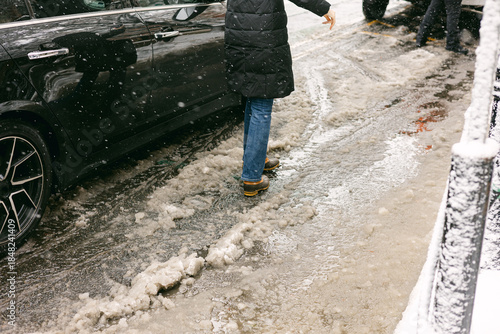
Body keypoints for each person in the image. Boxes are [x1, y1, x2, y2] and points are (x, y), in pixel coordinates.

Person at [224, 0, 336, 196]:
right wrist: (324, 8)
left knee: (252, 99)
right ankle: (252, 177)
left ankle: (254, 158)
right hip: (263, 39)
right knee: (261, 104)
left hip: (239, 34)